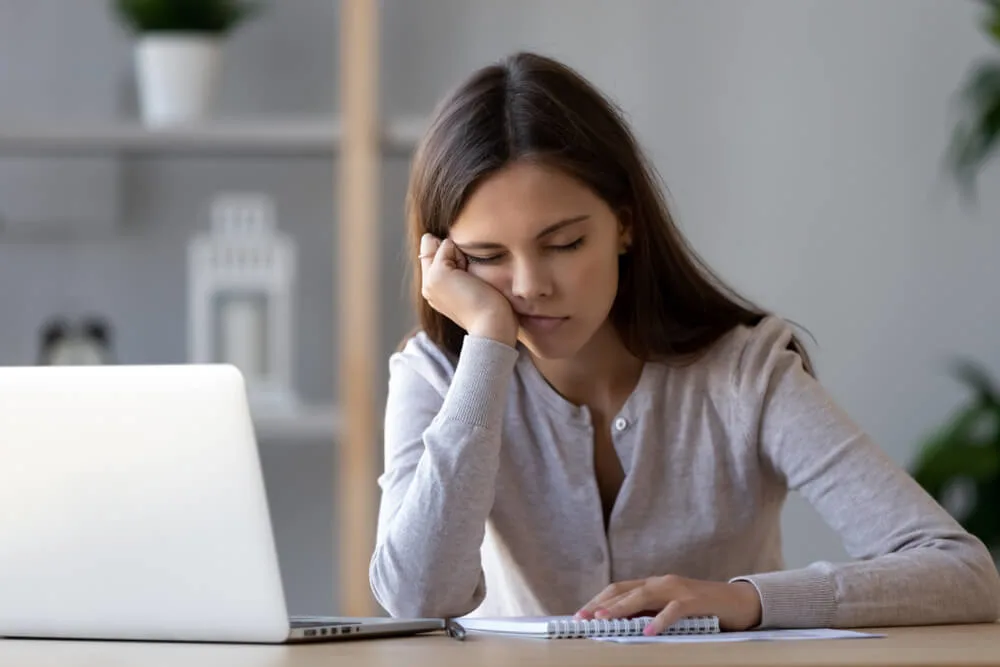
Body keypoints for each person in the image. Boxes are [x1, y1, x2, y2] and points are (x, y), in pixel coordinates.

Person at [368, 51, 1000, 635]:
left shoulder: (744, 375)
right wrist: (485, 348)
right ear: (445, 260)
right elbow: (417, 597)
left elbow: (963, 573)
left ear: (624, 223)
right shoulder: (437, 377)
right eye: (486, 256)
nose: (531, 286)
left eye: (564, 244)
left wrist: (748, 600)